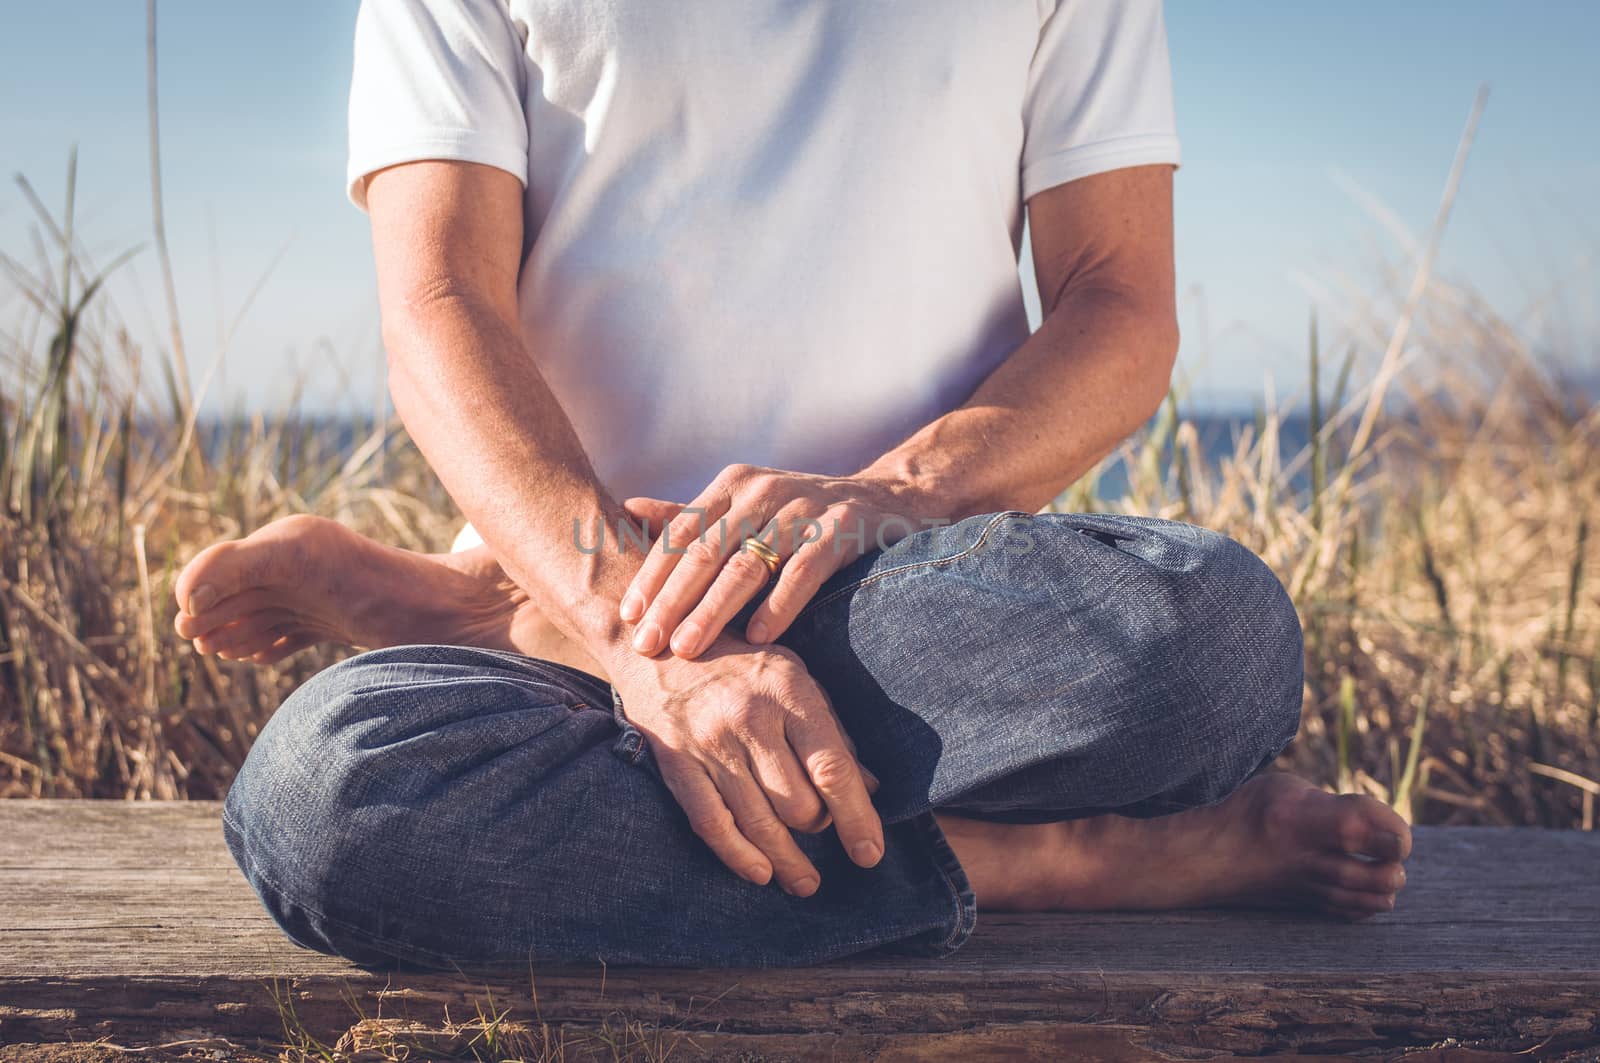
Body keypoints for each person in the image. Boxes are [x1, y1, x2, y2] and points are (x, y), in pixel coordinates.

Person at [174, 0, 1411, 969]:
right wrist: (634, 628)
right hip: (587, 591)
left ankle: (485, 604)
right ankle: (1049, 858)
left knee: (1212, 644)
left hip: (911, 609)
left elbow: (1120, 305)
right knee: (330, 806)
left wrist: (903, 490)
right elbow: (438, 301)